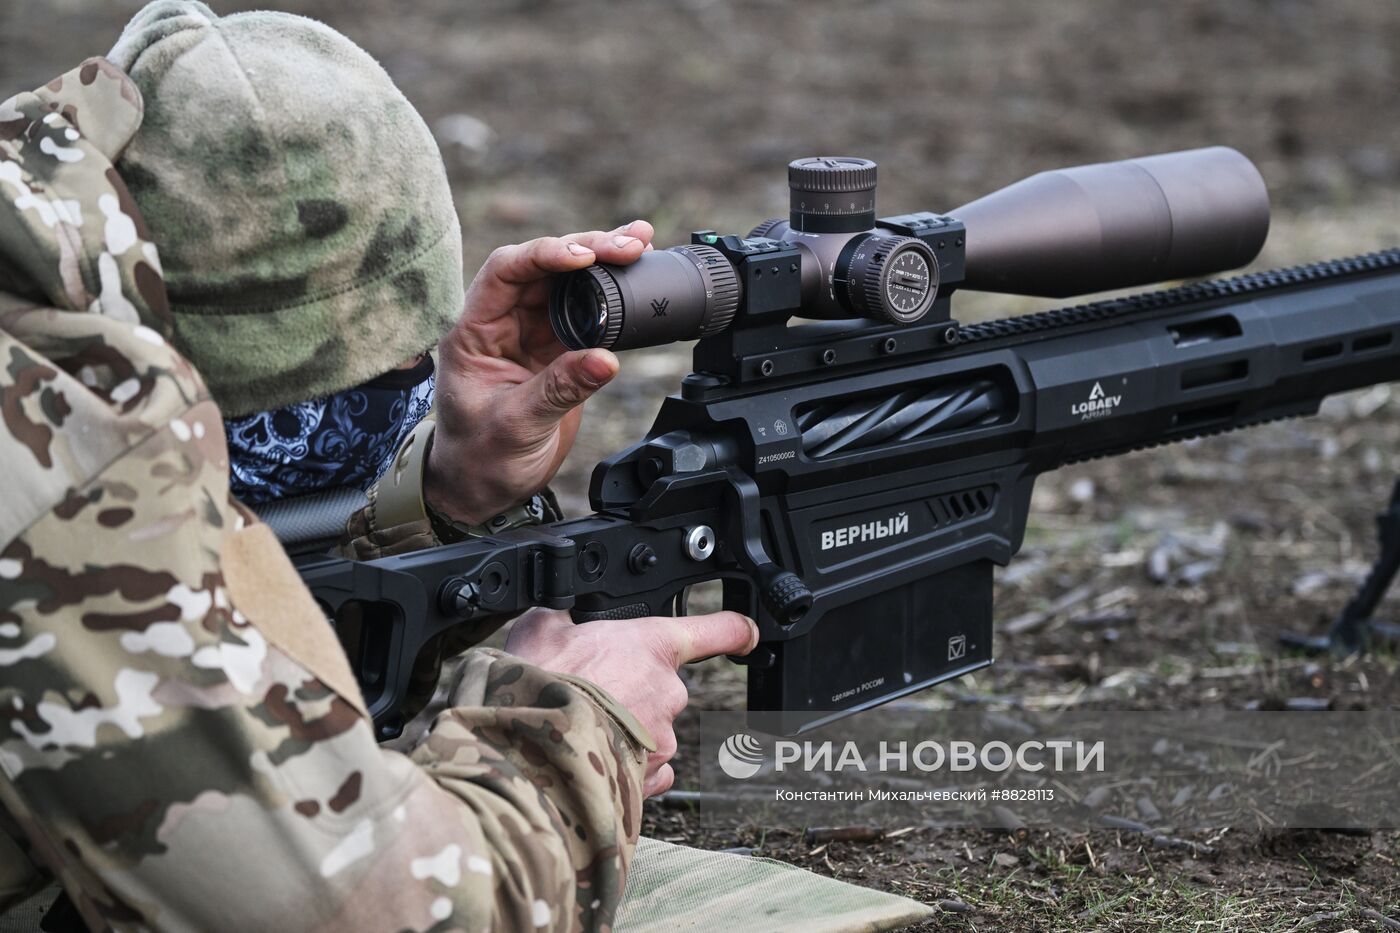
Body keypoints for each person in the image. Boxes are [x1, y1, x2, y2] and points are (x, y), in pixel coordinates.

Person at [0, 2, 757, 930]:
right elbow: (379, 911)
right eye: (382, 368)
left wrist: (444, 502)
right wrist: (570, 727)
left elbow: (190, 710)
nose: (410, 385)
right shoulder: (63, 473)